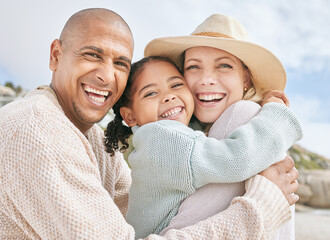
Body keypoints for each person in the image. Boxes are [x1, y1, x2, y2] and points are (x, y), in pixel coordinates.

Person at [0, 8, 298, 240]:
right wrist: (261, 208)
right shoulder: (37, 129)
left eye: (120, 63)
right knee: (247, 119)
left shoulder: (94, 141)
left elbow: (132, 209)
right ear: (56, 55)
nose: (106, 75)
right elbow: (233, 159)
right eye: (92, 55)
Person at [104, 54, 302, 238]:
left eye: (176, 85)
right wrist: (276, 113)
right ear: (129, 116)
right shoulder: (158, 138)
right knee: (248, 115)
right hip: (166, 233)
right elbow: (236, 159)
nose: (168, 96)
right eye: (151, 93)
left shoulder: (177, 132)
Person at [145, 14, 298, 240]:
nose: (207, 79)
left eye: (224, 66)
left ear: (246, 79)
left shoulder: (243, 116)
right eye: (194, 67)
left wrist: (278, 114)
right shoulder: (189, 134)